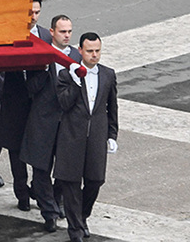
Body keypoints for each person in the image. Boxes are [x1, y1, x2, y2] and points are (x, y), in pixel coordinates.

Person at [19, 14, 81, 232]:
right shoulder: (41, 54)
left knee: (65, 169)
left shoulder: (75, 54)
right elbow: (30, 89)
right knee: (41, 170)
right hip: (43, 122)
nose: (67, 35)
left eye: (69, 31)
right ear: (52, 32)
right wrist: (45, 68)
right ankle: (49, 213)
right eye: (62, 31)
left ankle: (57, 201)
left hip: (67, 124)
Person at [54, 32, 118, 242]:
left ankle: (82, 217)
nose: (94, 55)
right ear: (80, 51)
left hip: (96, 137)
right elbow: (64, 104)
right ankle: (75, 230)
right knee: (70, 183)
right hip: (71, 136)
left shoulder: (108, 74)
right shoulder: (66, 74)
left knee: (95, 180)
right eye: (89, 51)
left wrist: (112, 134)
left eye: (97, 51)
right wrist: (75, 82)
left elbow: (112, 107)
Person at [0, 0, 52, 210]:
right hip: (13, 103)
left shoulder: (46, 36)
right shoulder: (8, 35)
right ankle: (21, 194)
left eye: (37, 12)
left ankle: (38, 189)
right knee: (16, 152)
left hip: (37, 106)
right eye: (29, 12)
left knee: (37, 151)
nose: (33, 17)